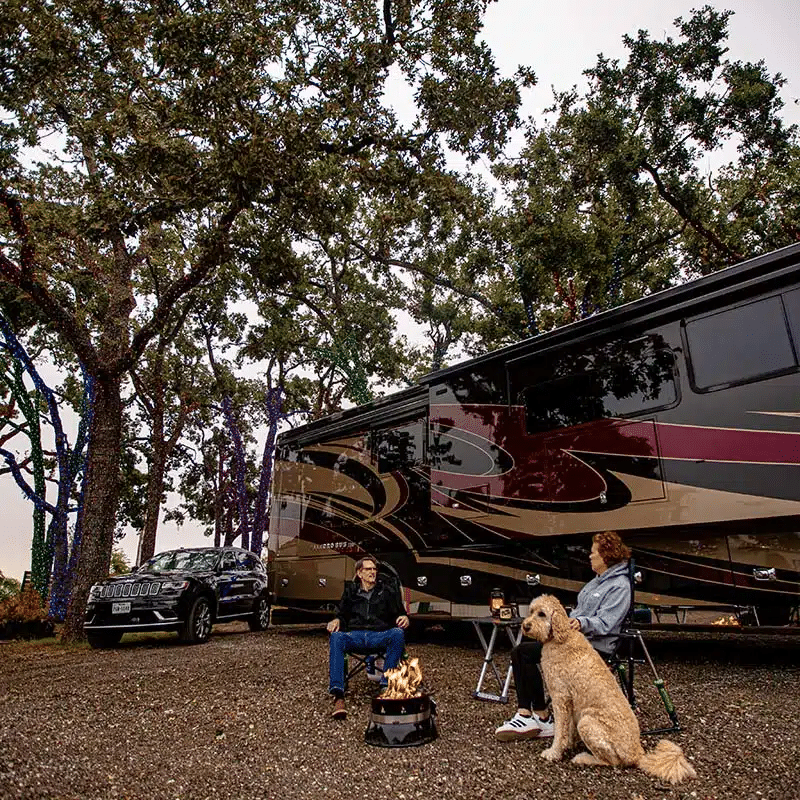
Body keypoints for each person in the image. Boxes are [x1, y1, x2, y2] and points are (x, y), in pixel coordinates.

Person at [495, 530, 632, 741]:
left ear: (606, 555)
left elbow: (606, 623)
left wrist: (581, 622)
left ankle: (539, 716)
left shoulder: (620, 586)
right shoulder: (596, 582)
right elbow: (578, 612)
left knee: (524, 653)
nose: (589, 556)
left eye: (593, 552)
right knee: (520, 651)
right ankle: (529, 714)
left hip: (594, 649)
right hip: (573, 642)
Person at [327, 556, 409, 720]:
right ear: (359, 573)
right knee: (336, 637)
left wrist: (404, 617)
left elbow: (399, 612)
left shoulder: (386, 591)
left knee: (397, 634)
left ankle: (386, 686)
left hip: (378, 635)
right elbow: (342, 614)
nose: (373, 572)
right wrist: (336, 620)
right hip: (356, 635)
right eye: (368, 569)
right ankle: (338, 695)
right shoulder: (351, 592)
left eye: (374, 569)